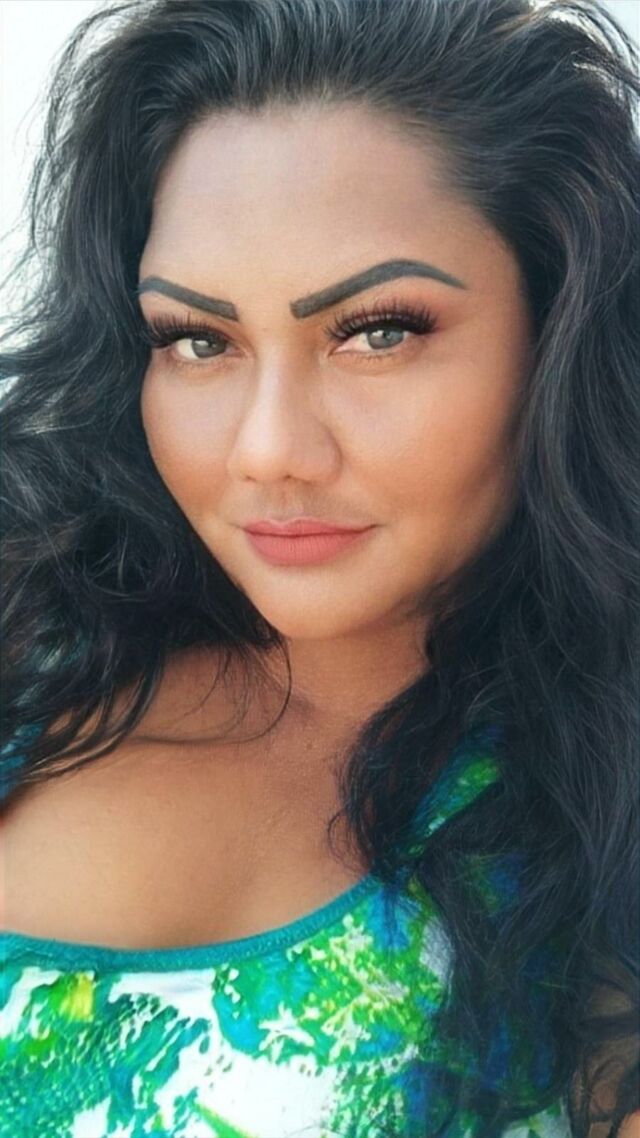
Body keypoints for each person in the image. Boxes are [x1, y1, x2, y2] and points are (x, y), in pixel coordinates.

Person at [0, 0, 637, 1135]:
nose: (266, 451)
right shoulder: (27, 630)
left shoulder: (602, 828)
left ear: (559, 329)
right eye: (199, 340)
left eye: (376, 331)